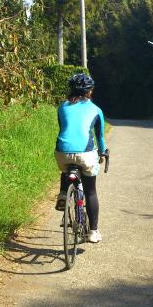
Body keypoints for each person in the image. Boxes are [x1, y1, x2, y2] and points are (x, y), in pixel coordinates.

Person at [54, 73, 107, 243]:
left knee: (67, 166)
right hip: (85, 155)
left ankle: (63, 193)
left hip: (62, 152)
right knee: (90, 191)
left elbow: (64, 128)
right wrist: (103, 152)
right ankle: (93, 232)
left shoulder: (62, 107)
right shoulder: (96, 110)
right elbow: (100, 137)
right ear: (89, 91)